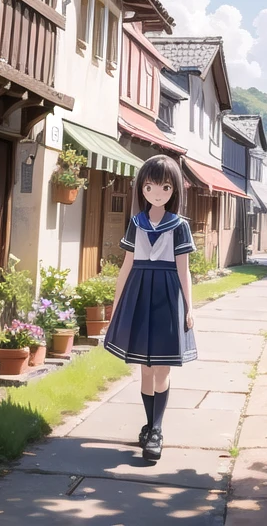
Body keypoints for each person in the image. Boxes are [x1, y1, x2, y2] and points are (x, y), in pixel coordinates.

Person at [104, 155, 197, 460]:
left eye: (165, 186)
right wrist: (116, 305)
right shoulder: (136, 223)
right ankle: (149, 425)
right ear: (142, 188)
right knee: (145, 368)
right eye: (150, 186)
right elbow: (126, 266)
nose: (157, 192)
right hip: (140, 293)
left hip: (168, 296)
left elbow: (184, 270)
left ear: (174, 191)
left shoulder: (179, 226)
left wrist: (189, 307)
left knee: (162, 367)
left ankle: (156, 430)